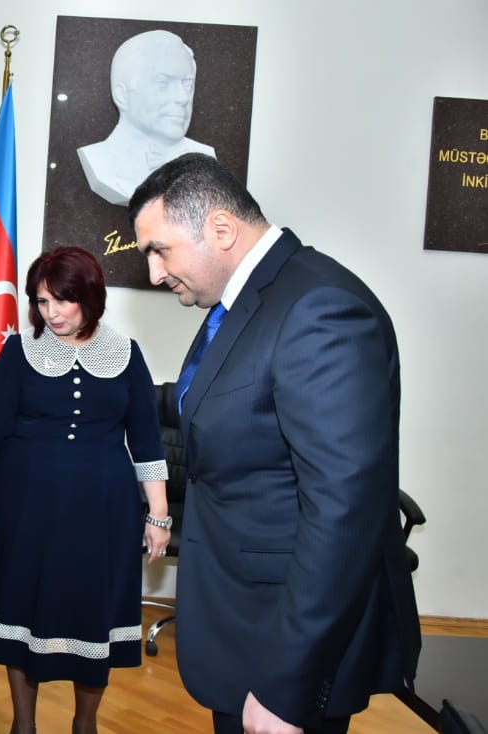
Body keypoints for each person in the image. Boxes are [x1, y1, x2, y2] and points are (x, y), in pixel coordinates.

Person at [128, 153, 420, 734]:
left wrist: (290, 685)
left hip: (286, 647)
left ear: (220, 228)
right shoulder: (251, 300)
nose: (155, 274)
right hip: (243, 622)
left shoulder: (320, 308)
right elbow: (231, 406)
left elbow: (344, 512)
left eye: (160, 250)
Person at [0, 246, 169, 734]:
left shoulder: (127, 354)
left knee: (92, 613)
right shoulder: (19, 352)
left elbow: (146, 441)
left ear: (90, 296)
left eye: (63, 300)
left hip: (102, 511)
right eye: (41, 301)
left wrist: (158, 515)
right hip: (23, 506)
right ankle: (24, 724)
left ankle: (85, 724)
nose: (51, 313)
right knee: (22, 610)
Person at [77, 30, 215, 207]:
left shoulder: (204, 158)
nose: (183, 97)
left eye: (187, 84)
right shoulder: (99, 161)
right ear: (122, 96)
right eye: (163, 83)